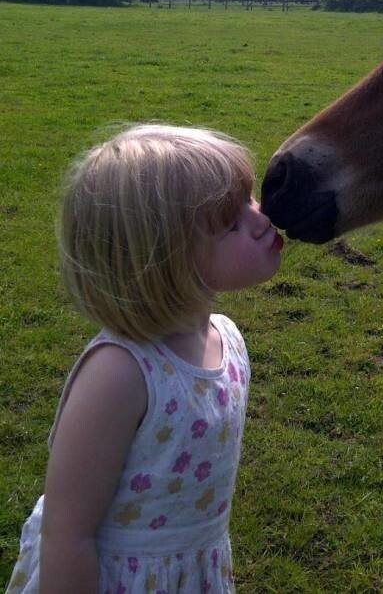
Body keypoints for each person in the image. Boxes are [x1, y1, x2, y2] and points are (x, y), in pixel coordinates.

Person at [7, 124, 284, 593]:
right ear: (163, 258)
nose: (262, 219)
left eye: (249, 199)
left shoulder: (227, 337)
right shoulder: (119, 374)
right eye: (230, 224)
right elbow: (67, 535)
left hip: (194, 569)